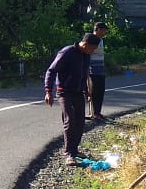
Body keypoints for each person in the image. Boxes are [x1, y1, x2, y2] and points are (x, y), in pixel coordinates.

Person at [44, 33, 101, 166]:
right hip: (64, 92)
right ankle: (69, 154)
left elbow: (85, 74)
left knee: (80, 122)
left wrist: (87, 92)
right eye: (92, 49)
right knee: (69, 120)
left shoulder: (86, 55)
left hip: (78, 92)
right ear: (85, 44)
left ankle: (74, 150)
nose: (93, 52)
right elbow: (51, 70)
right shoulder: (67, 52)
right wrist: (48, 91)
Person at [87, 21, 109, 120]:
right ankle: (93, 113)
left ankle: (98, 112)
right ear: (99, 29)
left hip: (100, 69)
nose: (105, 32)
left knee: (100, 91)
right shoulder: (91, 39)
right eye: (104, 30)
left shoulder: (101, 40)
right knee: (93, 92)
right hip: (92, 70)